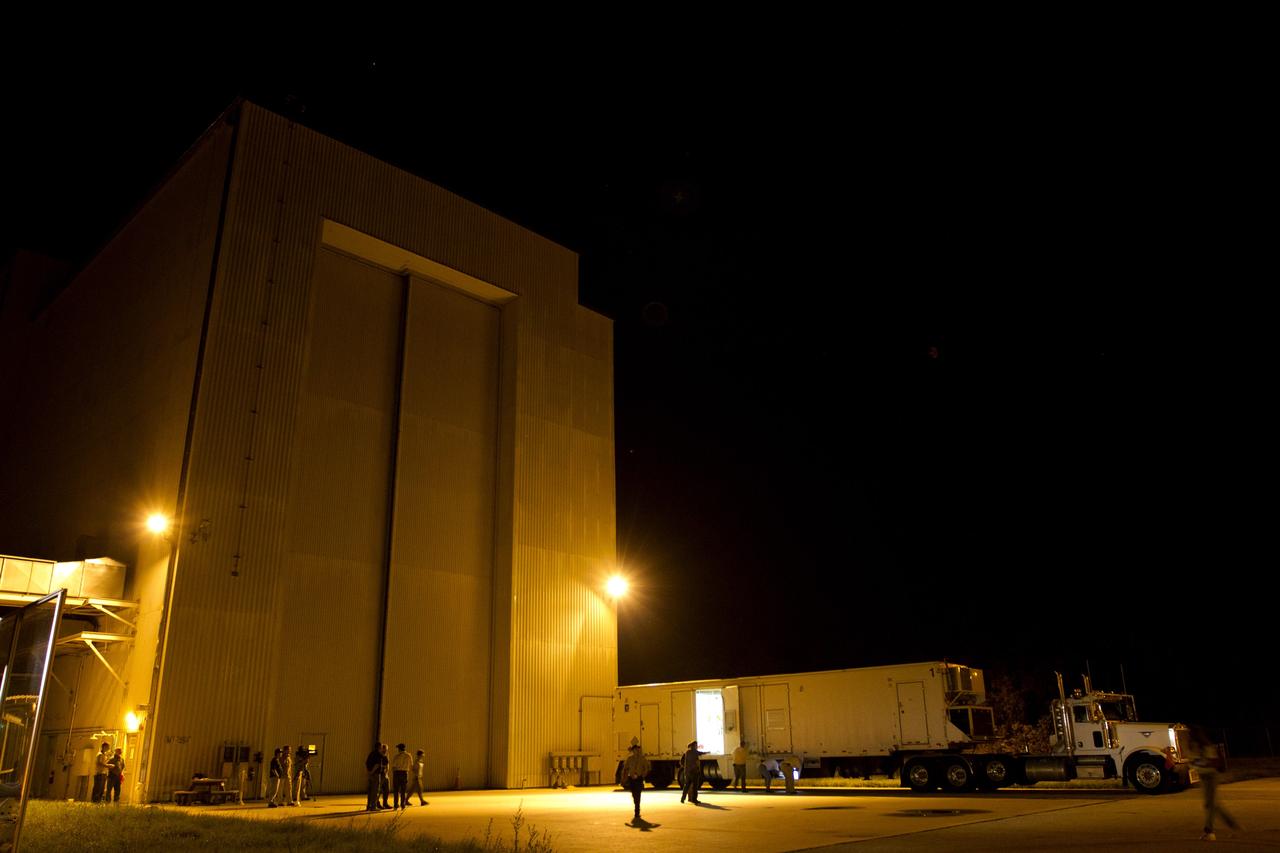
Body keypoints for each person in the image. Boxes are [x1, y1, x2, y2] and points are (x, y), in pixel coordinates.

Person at [1189, 727, 1238, 841]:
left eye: (1190, 734)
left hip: (1210, 777)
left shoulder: (1206, 746)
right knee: (1212, 805)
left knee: (1210, 805)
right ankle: (1232, 825)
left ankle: (1209, 832)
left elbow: (1211, 762)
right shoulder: (1194, 746)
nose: (1188, 736)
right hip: (1204, 777)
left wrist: (1195, 763)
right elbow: (1195, 762)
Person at [622, 741, 651, 823]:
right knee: (634, 795)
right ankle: (636, 805)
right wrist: (624, 777)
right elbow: (625, 768)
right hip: (631, 779)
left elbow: (647, 768)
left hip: (639, 779)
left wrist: (642, 775)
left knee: (638, 795)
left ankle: (637, 811)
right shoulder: (629, 759)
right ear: (632, 751)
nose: (636, 751)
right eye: (634, 750)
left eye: (637, 750)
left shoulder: (642, 759)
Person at [680, 740, 703, 804]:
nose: (697, 746)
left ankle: (682, 798)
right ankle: (694, 799)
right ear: (694, 746)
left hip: (687, 772)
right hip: (693, 772)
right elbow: (700, 755)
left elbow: (681, 761)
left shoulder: (687, 752)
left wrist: (686, 767)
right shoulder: (694, 752)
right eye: (696, 745)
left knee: (686, 786)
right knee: (694, 786)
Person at [390, 743, 412, 809]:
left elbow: (393, 767)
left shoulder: (396, 756)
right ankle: (403, 804)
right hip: (405, 773)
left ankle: (396, 805)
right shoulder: (409, 756)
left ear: (399, 749)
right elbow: (411, 765)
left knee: (396, 790)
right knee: (403, 790)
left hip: (397, 773)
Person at [364, 743, 383, 811]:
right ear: (379, 747)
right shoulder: (378, 755)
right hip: (375, 774)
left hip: (370, 775)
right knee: (375, 791)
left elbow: (366, 763)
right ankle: (373, 807)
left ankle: (368, 806)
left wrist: (368, 772)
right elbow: (377, 765)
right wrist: (372, 771)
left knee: (370, 791)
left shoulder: (371, 753)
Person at [378, 743, 391, 808]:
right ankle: (377, 803)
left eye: (386, 749)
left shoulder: (386, 755)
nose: (385, 751)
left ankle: (385, 803)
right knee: (379, 790)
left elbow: (387, 764)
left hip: (386, 774)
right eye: (384, 749)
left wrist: (387, 772)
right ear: (381, 749)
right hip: (381, 774)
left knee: (387, 789)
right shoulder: (379, 756)